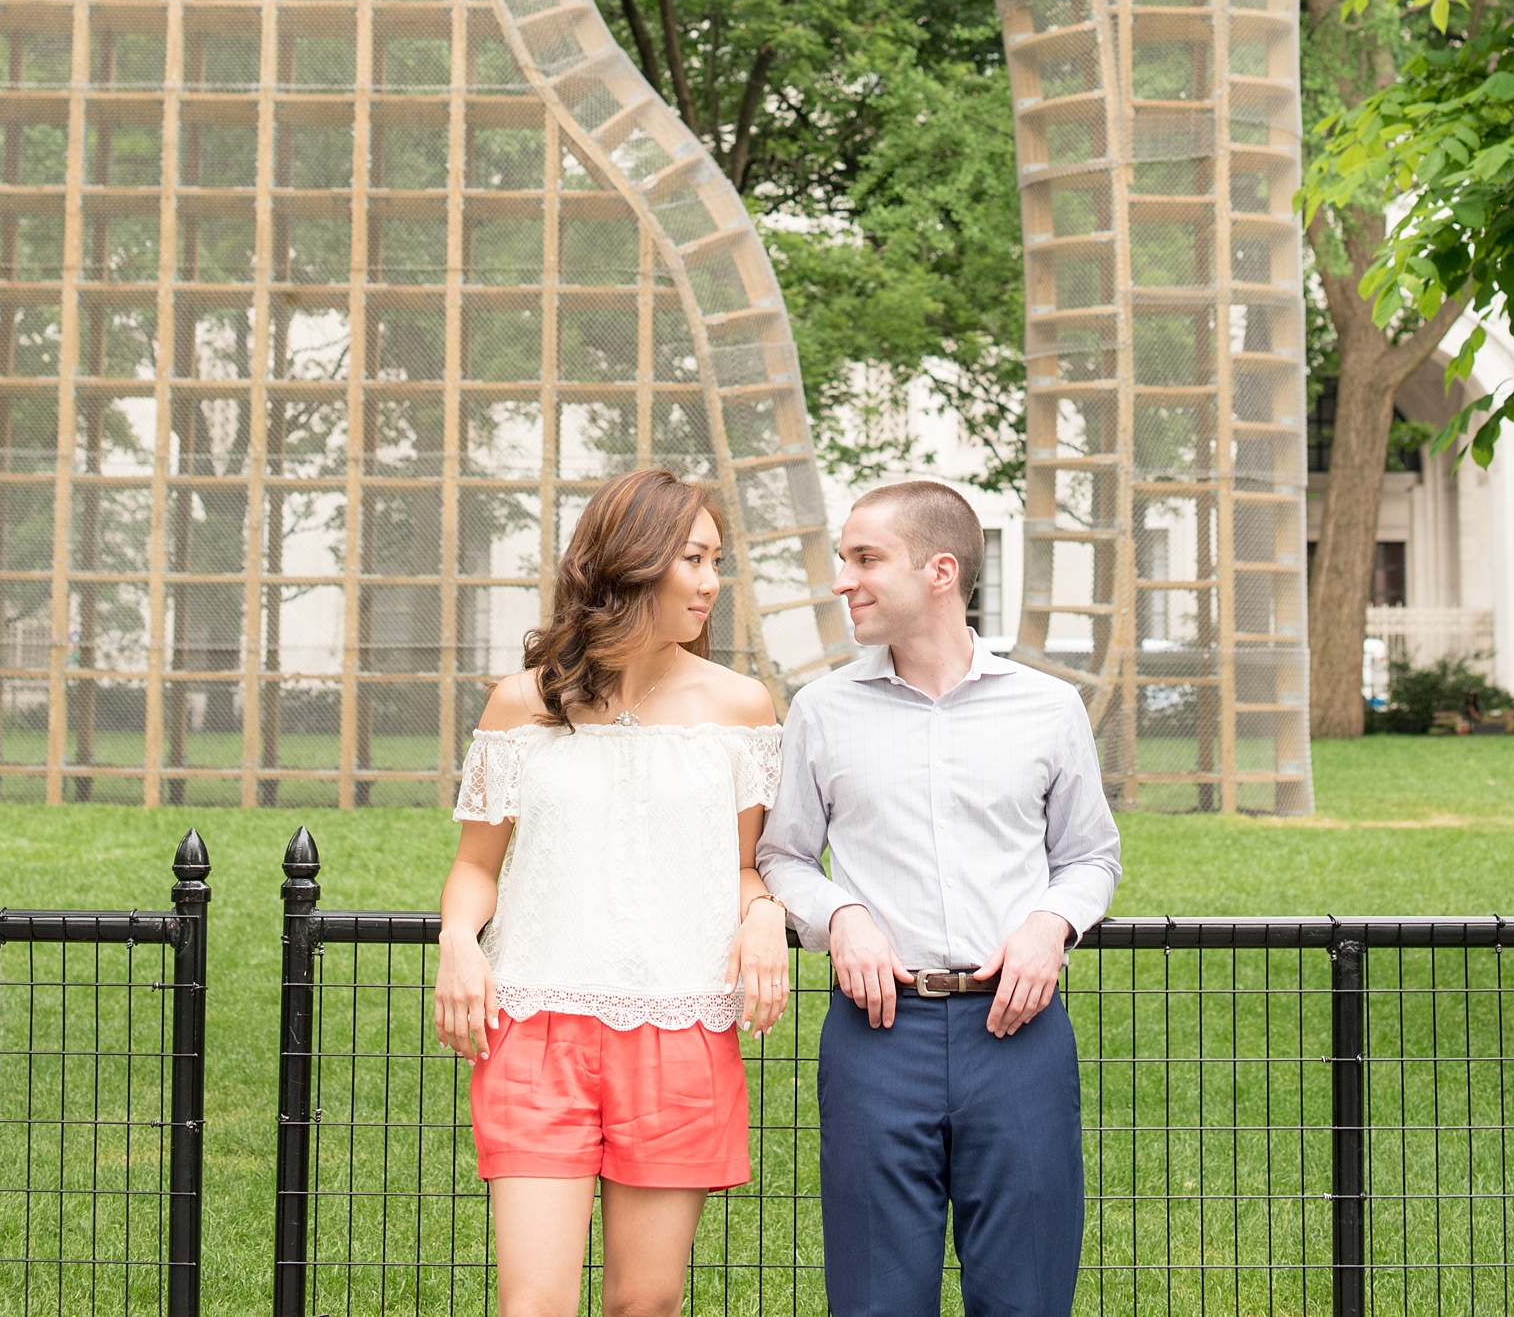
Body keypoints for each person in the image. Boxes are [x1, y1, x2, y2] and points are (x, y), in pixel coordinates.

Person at [758, 480, 1121, 1317]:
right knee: (876, 1300)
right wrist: (839, 914)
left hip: (1019, 1035)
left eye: (864, 558)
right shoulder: (820, 710)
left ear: (940, 570)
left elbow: (1090, 855)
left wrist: (1051, 921)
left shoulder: (1048, 707)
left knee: (1026, 1299)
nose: (842, 579)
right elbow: (780, 855)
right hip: (876, 1034)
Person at [434, 468, 788, 1317]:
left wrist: (767, 913)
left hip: (682, 1030)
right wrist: (455, 943)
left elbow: (747, 864)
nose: (712, 581)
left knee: (647, 1303)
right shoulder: (521, 705)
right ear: (633, 562)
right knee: (533, 1306)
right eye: (694, 558)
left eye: (717, 560)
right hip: (532, 1029)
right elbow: (477, 864)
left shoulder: (742, 707)